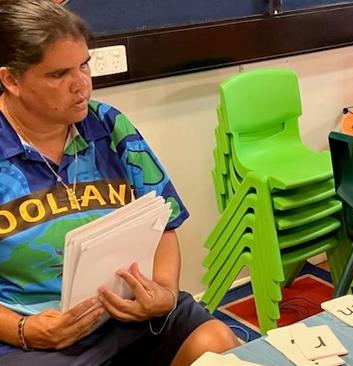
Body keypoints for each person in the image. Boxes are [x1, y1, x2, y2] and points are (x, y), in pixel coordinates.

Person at [0, 1, 238, 365]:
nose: (81, 84)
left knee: (216, 341)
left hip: (128, 311)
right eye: (58, 74)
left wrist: (164, 291)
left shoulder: (109, 126)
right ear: (12, 80)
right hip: (36, 332)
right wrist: (24, 330)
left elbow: (163, 222)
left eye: (84, 65)